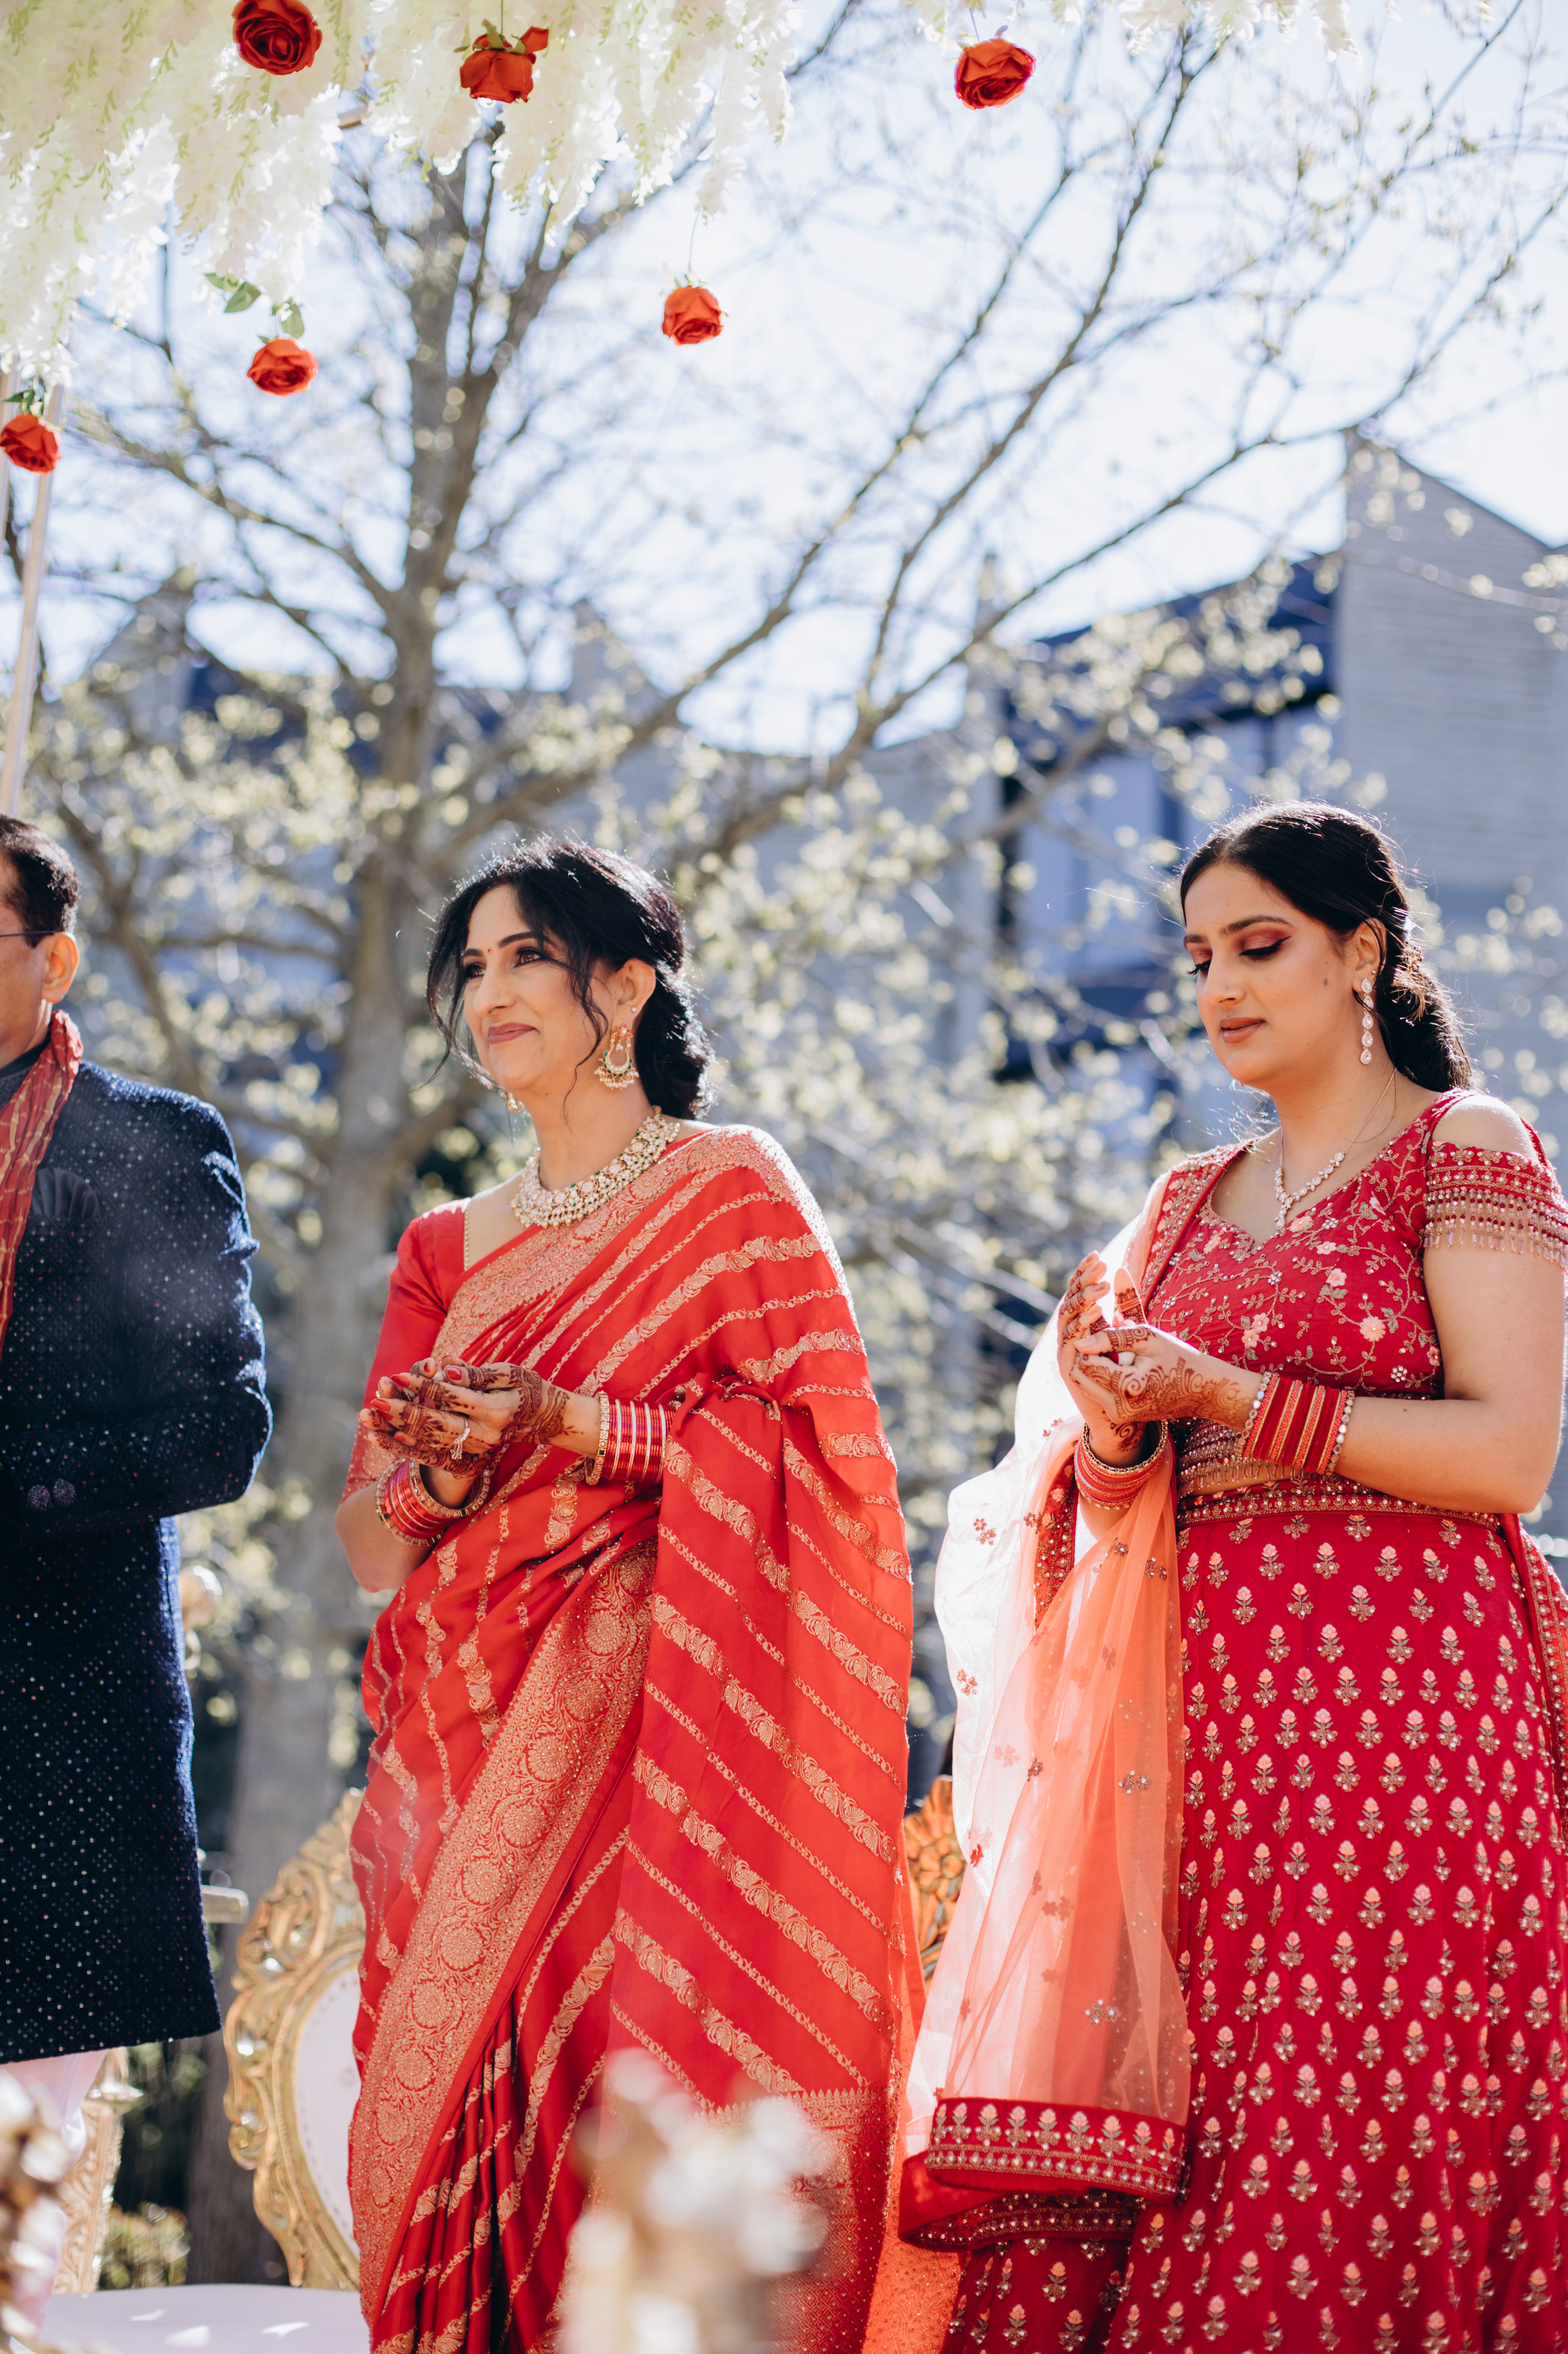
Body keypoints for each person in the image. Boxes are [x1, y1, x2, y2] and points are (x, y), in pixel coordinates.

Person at [898, 803, 1568, 2353]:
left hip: (1410, 1717)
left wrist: (1225, 1392)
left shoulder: (1464, 1146)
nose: (1220, 988)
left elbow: (1510, 1455)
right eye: (1200, 958)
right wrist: (1115, 1425)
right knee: (1207, 2098)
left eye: (1260, 947)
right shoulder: (1185, 1201)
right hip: (1203, 1733)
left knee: (1366, 2090)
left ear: (1364, 950)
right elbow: (1123, 1491)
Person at [336, 838, 914, 2354]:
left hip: (665, 1747)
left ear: (630, 984)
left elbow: (828, 1467)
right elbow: (371, 1545)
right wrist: (446, 1474)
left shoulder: (730, 1191)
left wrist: (571, 1424)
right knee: (445, 2118)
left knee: (624, 2085)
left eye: (528, 955)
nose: (491, 990)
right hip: (459, 1739)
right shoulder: (448, 1247)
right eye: (472, 965)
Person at [0, 817, 270, 2320]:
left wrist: (18, 1485)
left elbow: (223, 1430)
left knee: (17, 2209)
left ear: (56, 959)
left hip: (55, 1722)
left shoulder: (149, 1145)